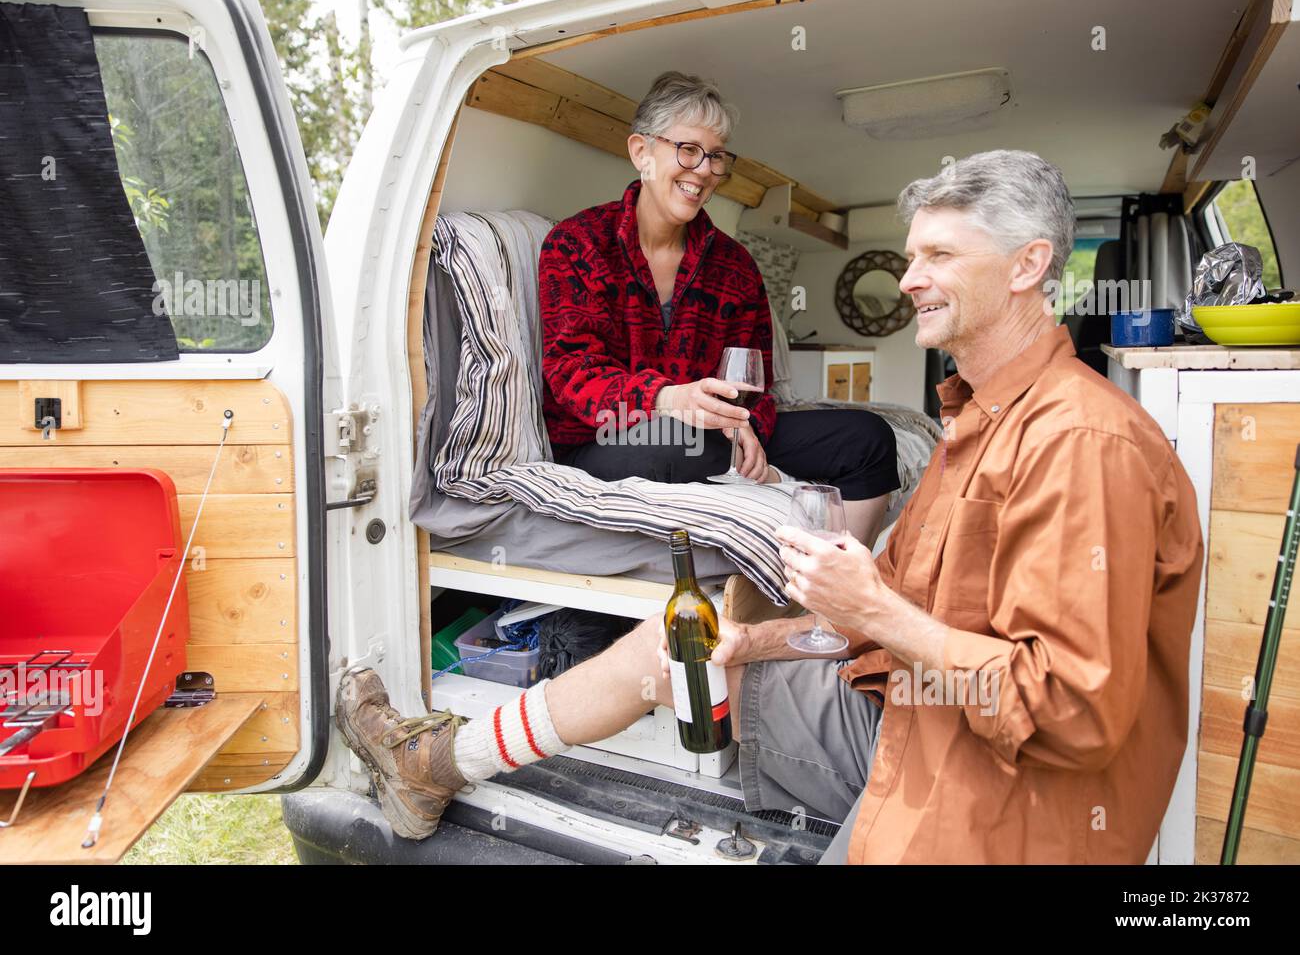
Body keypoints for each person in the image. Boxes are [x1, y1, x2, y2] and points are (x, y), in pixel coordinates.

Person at [336, 149, 1203, 863]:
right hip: (912, 711)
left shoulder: (1084, 442)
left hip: (998, 803)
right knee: (688, 641)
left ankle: (432, 762)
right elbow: (894, 615)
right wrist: (755, 640)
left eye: (940, 256)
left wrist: (875, 613)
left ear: (1029, 265)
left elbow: (1072, 716)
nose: (910, 280)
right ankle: (435, 761)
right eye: (911, 255)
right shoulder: (976, 421)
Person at [539, 71, 898, 545]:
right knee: (678, 442)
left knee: (869, 438)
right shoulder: (577, 243)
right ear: (641, 153)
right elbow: (571, 372)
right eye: (688, 150)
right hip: (608, 439)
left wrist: (745, 425)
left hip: (715, 435)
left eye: (716, 157)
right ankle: (765, 482)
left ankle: (840, 584)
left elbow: (756, 384)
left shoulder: (736, 266)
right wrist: (670, 399)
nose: (704, 170)